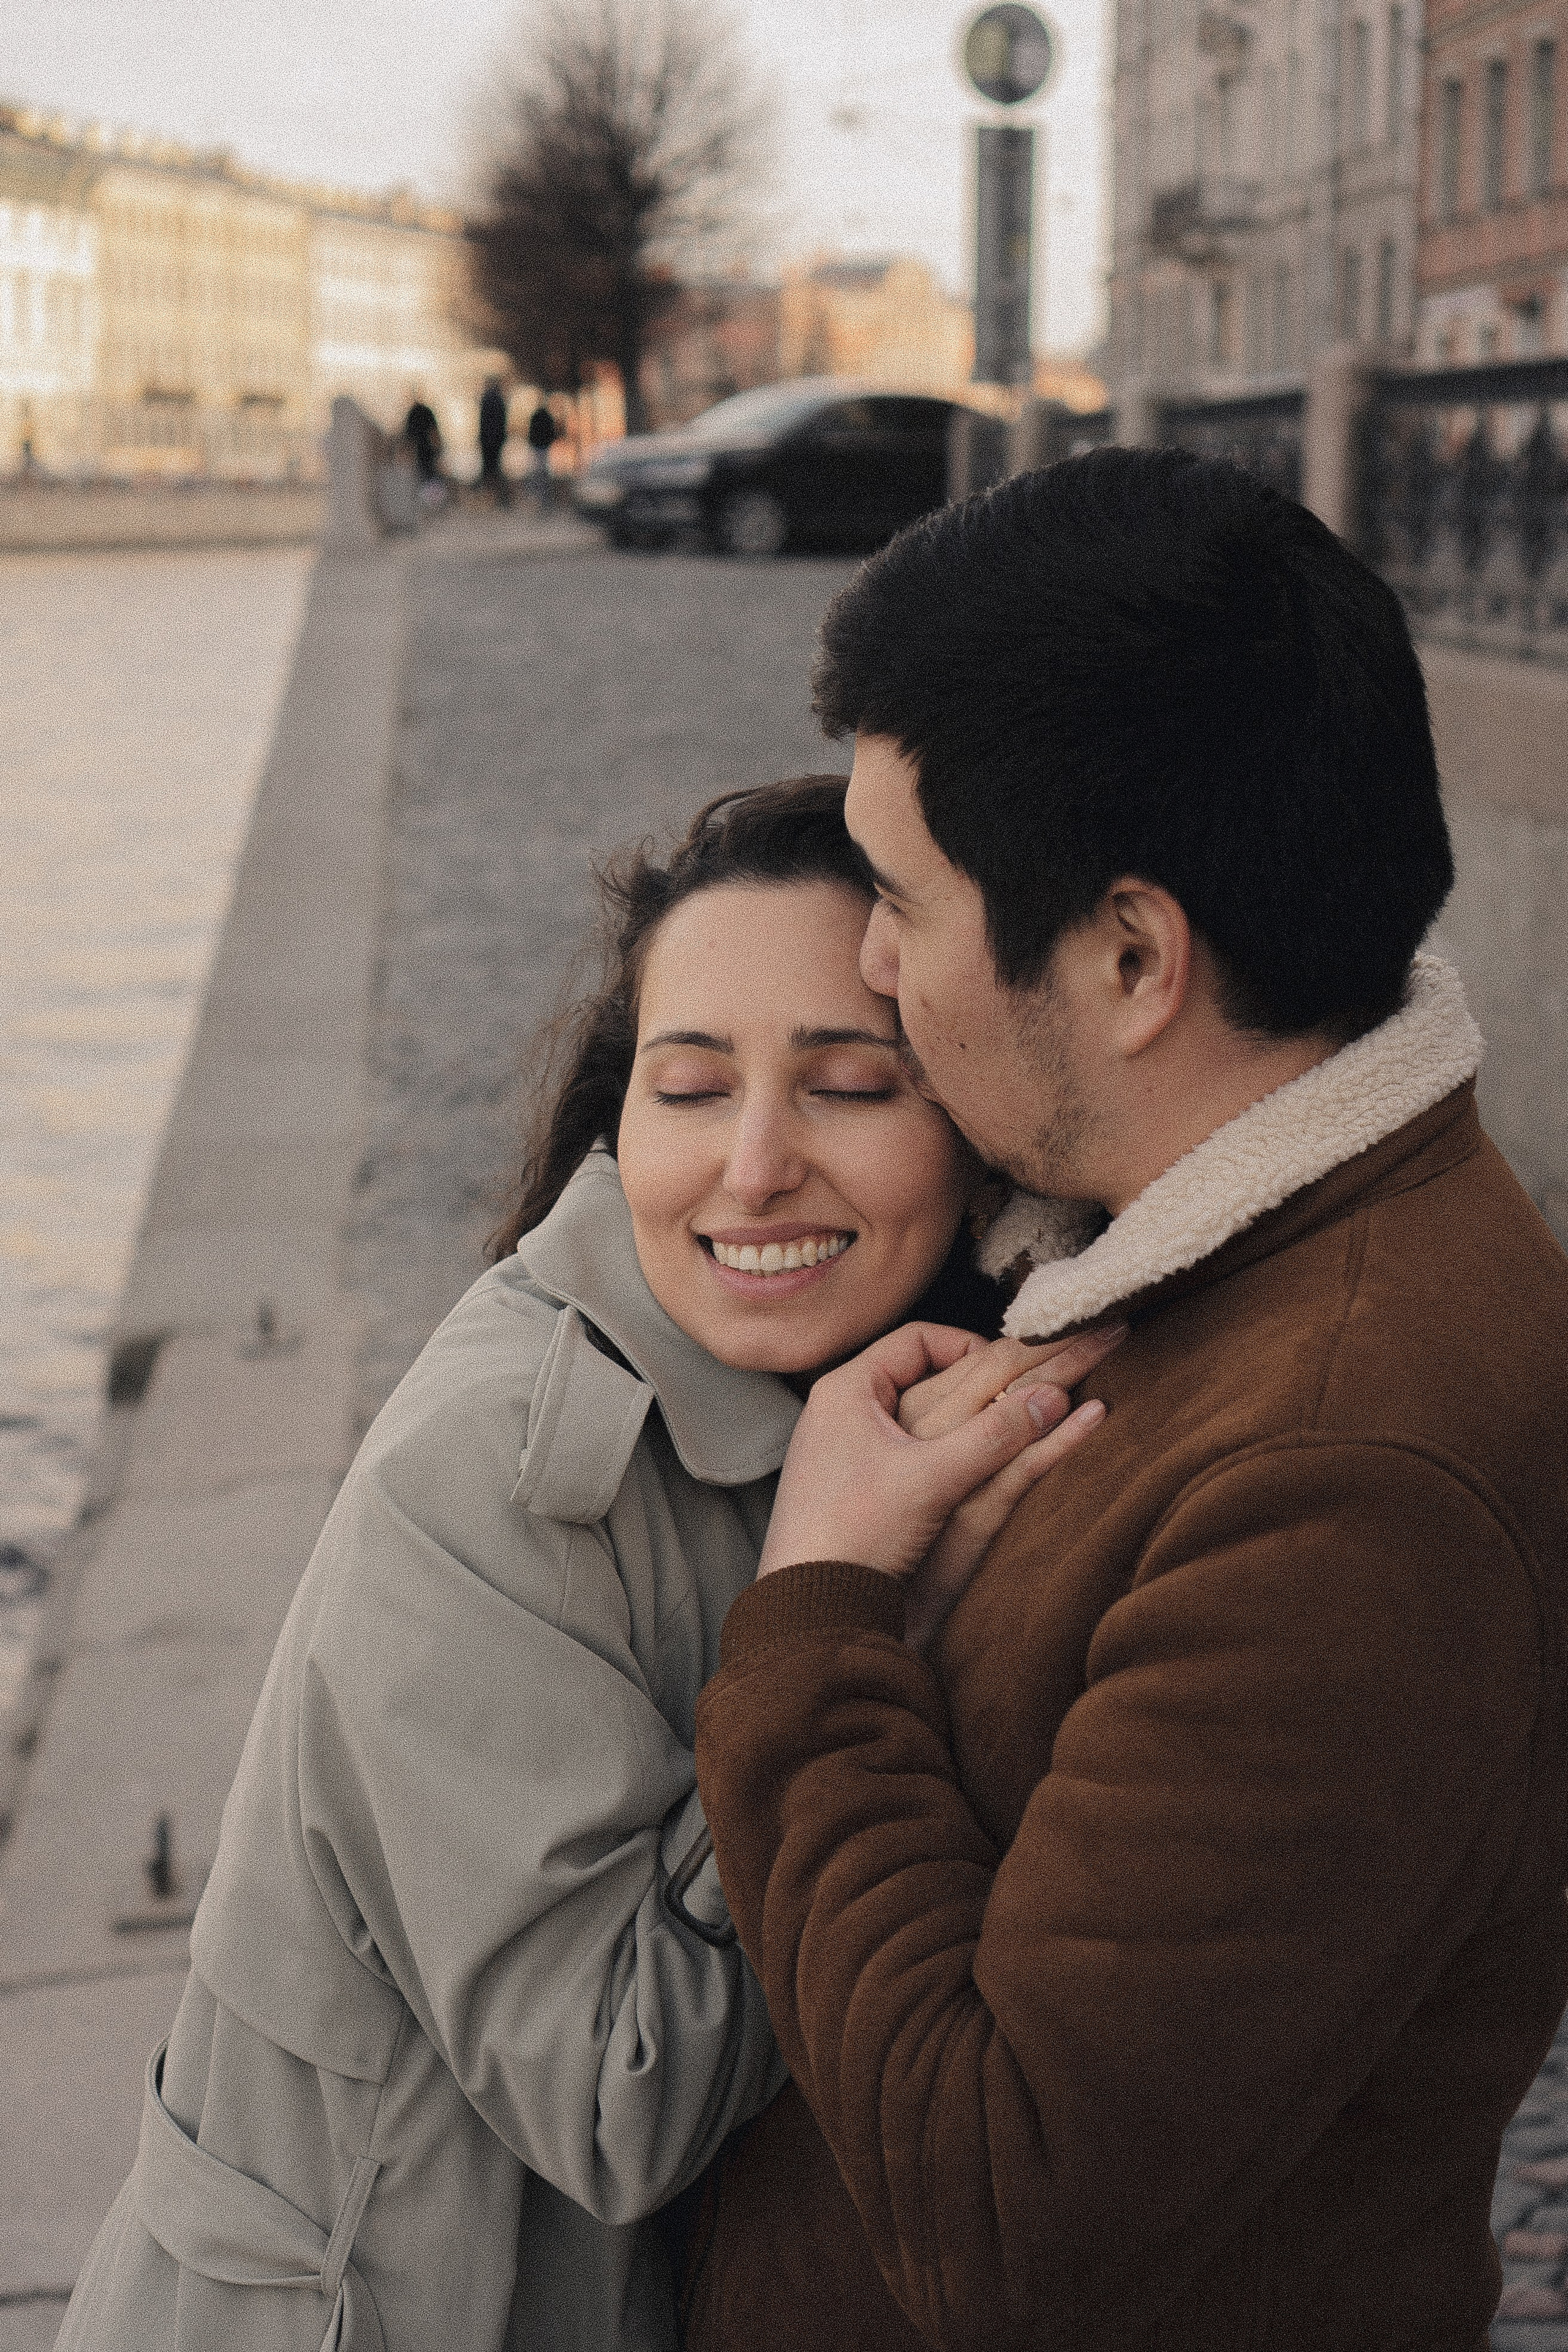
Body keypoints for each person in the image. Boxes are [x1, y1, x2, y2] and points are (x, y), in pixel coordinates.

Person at [688, 451, 1568, 2350]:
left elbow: (1005, 2219)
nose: (866, 958)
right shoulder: (1196, 1248)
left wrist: (814, 1615)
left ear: (1131, 954)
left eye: (903, 900)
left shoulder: (1346, 1480)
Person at [56, 777, 1110, 2352]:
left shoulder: (916, 1388)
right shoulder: (485, 1481)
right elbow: (624, 2091)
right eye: (689, 1089)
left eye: (845, 1083)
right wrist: (833, 1613)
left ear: (976, 1138)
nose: (751, 1166)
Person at [478, 377, 511, 508]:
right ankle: (500, 499)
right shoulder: (499, 400)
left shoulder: (487, 399)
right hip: (496, 440)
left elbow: (484, 422)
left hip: (488, 440)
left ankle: (492, 499)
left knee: (490, 470)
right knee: (496, 469)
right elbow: (502, 423)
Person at [402, 393, 442, 488]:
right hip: (425, 449)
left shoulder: (418, 412)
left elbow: (409, 434)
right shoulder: (422, 411)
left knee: (427, 474)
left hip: (425, 449)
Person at [526, 399, 559, 509]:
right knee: (541, 471)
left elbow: (532, 432)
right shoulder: (547, 417)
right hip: (543, 446)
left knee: (539, 471)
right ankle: (542, 498)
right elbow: (551, 432)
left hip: (539, 446)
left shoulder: (537, 416)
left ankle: (540, 497)